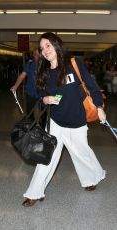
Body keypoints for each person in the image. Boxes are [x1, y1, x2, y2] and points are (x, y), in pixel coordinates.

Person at [22, 32, 106, 207]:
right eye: (42, 48)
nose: (45, 50)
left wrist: (99, 108)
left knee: (82, 153)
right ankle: (35, 193)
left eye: (48, 46)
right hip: (56, 122)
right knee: (47, 156)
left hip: (77, 121)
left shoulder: (73, 65)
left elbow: (92, 87)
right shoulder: (43, 71)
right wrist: (44, 99)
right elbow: (40, 94)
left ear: (56, 45)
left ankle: (92, 177)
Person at [10, 49, 40, 122]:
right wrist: (15, 86)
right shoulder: (29, 64)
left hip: (42, 93)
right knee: (29, 113)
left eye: (39, 55)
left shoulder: (46, 65)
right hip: (30, 92)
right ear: (33, 56)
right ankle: (30, 128)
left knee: (43, 114)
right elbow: (22, 75)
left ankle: (42, 130)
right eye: (36, 55)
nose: (38, 56)